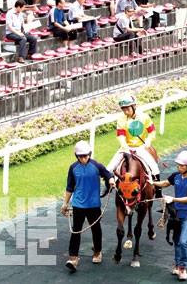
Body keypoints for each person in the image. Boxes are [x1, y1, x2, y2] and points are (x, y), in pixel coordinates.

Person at [61, 140, 116, 272]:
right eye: (81, 156)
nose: (84, 159)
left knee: (96, 229)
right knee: (76, 230)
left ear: (89, 154)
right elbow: (69, 187)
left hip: (93, 204)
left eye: (86, 156)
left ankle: (97, 252)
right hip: (78, 204)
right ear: (77, 156)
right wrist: (65, 204)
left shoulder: (96, 166)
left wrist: (111, 180)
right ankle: (73, 258)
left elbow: (108, 174)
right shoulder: (73, 168)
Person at [148, 150, 187, 282]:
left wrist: (173, 199)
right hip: (175, 214)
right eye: (178, 165)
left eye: (182, 165)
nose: (179, 167)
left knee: (184, 241)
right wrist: (152, 182)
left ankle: (183, 268)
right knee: (176, 241)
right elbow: (165, 183)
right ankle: (177, 264)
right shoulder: (176, 176)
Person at [106, 94, 162, 197]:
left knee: (154, 168)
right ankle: (107, 188)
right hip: (125, 148)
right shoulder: (121, 119)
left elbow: (152, 131)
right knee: (109, 168)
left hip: (140, 148)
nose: (126, 112)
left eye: (127, 108)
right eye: (123, 109)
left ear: (134, 106)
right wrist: (124, 147)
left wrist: (148, 140)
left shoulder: (144, 117)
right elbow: (121, 136)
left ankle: (158, 192)